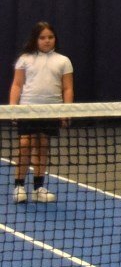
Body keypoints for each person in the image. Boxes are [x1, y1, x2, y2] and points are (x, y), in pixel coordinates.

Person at [10, 21, 74, 204]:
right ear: (35, 39)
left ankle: (38, 188)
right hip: (28, 110)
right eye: (42, 37)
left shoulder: (63, 61)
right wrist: (13, 108)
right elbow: (17, 84)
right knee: (24, 145)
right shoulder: (25, 59)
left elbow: (67, 88)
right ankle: (19, 186)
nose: (47, 41)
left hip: (51, 110)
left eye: (50, 37)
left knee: (42, 146)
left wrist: (66, 111)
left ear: (55, 39)